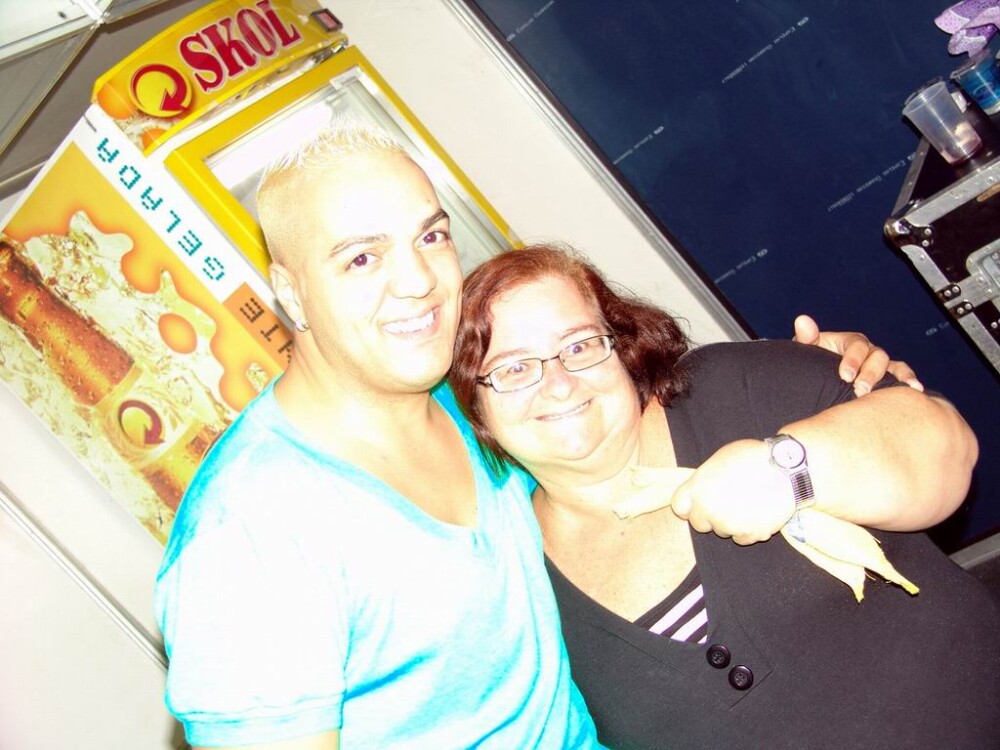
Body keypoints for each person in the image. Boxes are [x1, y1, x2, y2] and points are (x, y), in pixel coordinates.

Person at [154, 125, 916, 749]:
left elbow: (624, 416)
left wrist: (825, 380)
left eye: (431, 236)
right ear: (290, 293)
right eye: (361, 258)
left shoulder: (469, 398)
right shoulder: (249, 534)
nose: (417, 282)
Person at [450, 243, 1000, 750]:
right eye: (513, 368)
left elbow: (947, 447)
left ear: (622, 346)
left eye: (579, 345)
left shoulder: (730, 387)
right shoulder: (518, 587)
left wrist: (793, 468)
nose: (559, 383)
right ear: (477, 408)